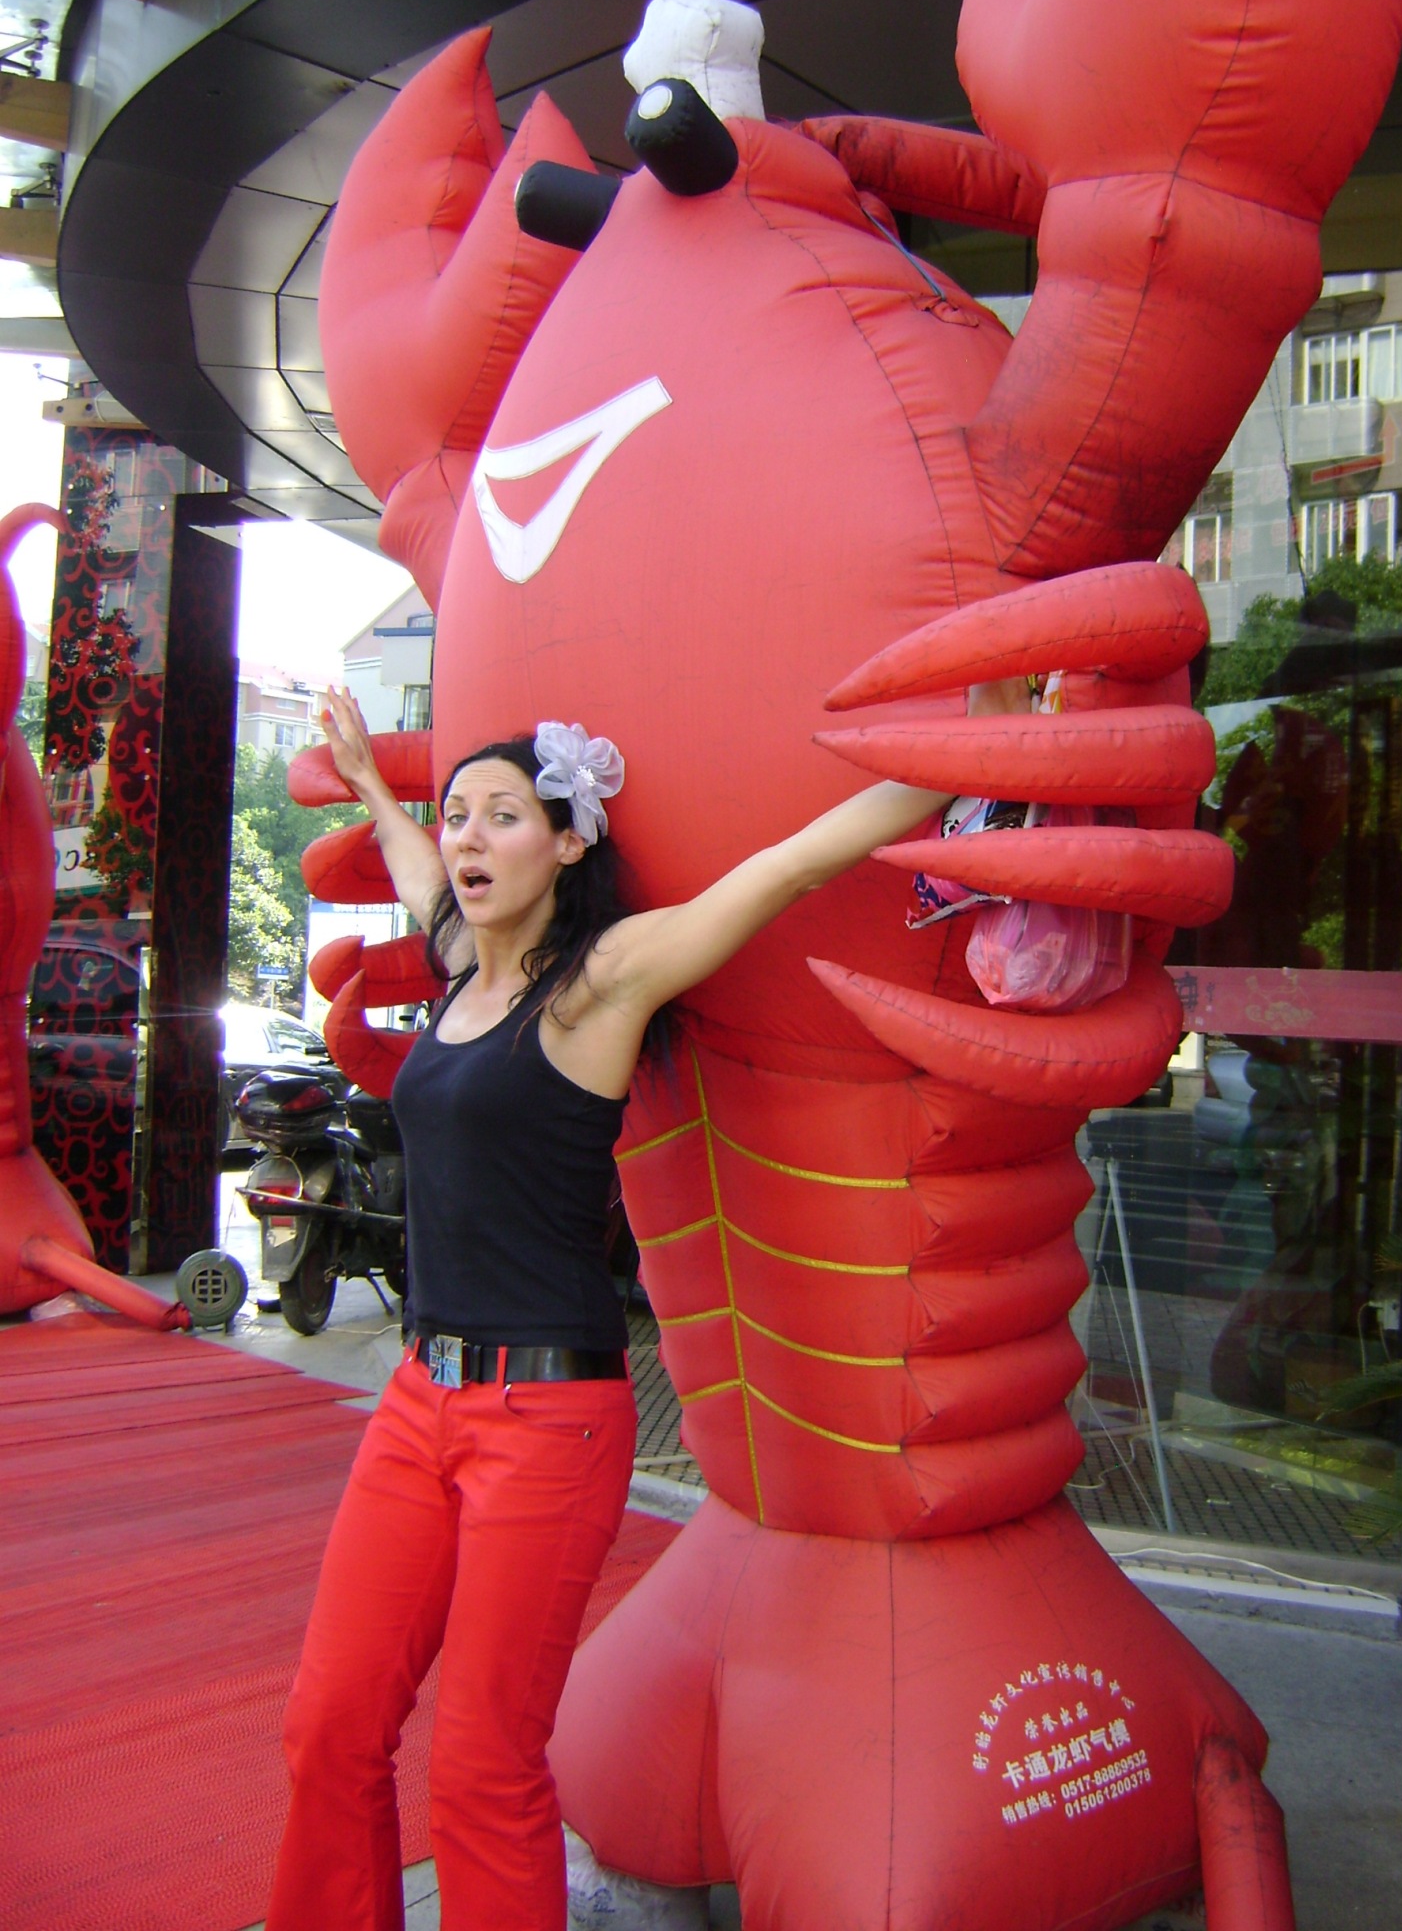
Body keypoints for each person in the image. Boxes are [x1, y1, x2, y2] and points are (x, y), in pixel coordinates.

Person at [265, 687, 950, 1931]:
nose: (466, 837)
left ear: (569, 840)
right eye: (457, 815)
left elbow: (790, 868)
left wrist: (953, 763)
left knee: (482, 1757)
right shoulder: (458, 960)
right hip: (418, 1401)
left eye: (502, 815)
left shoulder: (601, 984)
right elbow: (419, 866)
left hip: (545, 1421)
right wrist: (372, 786)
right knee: (328, 1721)